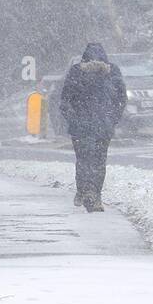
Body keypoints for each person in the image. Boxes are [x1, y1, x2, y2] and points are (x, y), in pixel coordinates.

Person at [58, 42, 126, 212]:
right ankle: (95, 195)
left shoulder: (76, 71)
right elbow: (121, 99)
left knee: (83, 160)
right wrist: (112, 119)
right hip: (103, 126)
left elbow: (65, 99)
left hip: (80, 127)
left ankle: (83, 191)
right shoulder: (113, 71)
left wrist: (72, 119)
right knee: (99, 161)